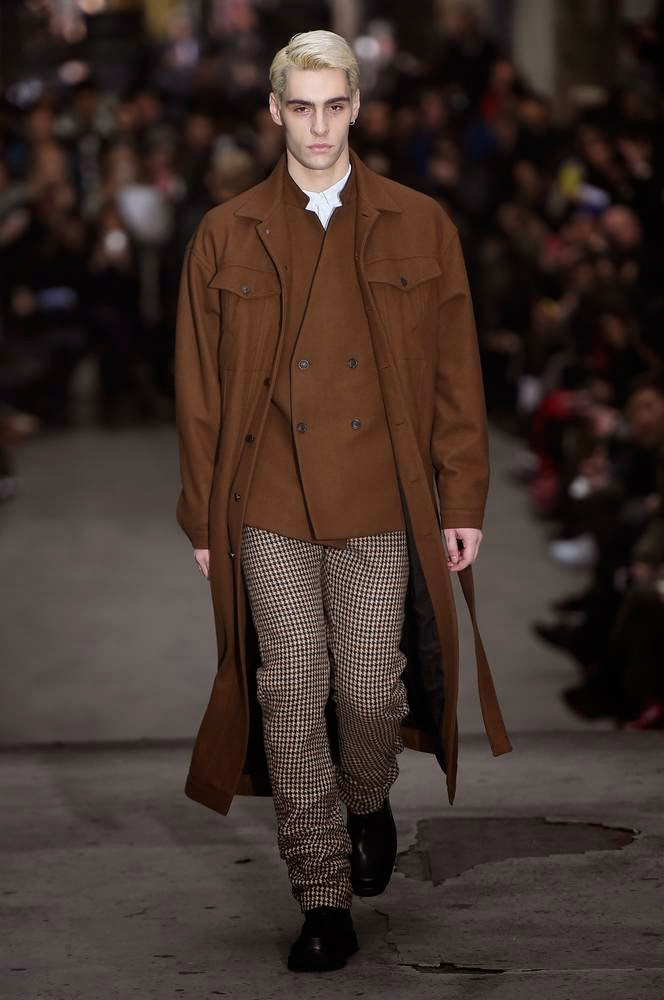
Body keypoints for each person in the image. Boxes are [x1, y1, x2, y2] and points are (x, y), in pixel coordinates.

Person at [174, 29, 511, 974]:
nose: (318, 127)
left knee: (367, 692)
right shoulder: (226, 231)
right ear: (274, 112)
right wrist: (203, 516)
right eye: (301, 107)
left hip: (380, 496)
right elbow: (199, 391)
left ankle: (366, 797)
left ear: (357, 108)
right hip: (266, 497)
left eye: (334, 106)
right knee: (289, 693)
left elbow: (455, 373)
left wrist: (463, 496)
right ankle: (321, 895)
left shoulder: (420, 223)